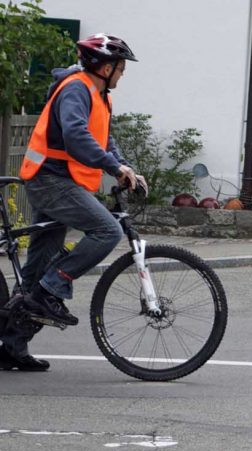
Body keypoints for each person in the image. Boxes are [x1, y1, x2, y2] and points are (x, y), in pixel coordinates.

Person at [0, 33, 145, 372]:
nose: (122, 75)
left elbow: (104, 140)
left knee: (37, 269)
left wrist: (126, 169)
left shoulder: (99, 95)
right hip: (50, 180)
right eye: (121, 68)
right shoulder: (76, 89)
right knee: (107, 231)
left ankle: (11, 347)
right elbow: (76, 136)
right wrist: (114, 167)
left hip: (62, 180)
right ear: (106, 67)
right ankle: (54, 286)